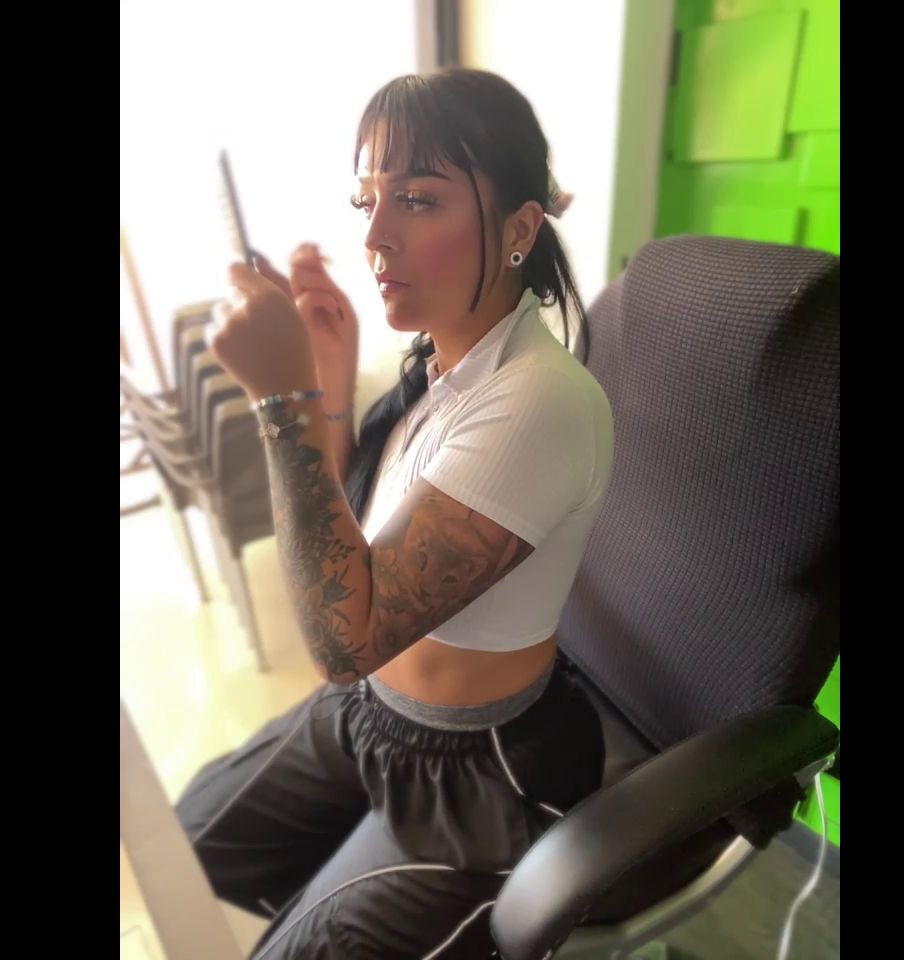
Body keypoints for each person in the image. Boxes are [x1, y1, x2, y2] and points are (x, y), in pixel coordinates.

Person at [176, 67, 614, 959]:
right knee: (193, 839)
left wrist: (283, 403)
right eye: (366, 200)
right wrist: (328, 381)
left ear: (519, 228)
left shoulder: (539, 402)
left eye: (416, 200)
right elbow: (351, 546)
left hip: (476, 770)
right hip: (370, 714)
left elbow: (345, 637)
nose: (375, 236)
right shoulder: (437, 368)